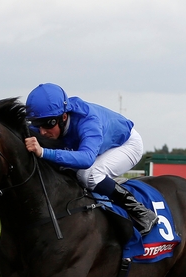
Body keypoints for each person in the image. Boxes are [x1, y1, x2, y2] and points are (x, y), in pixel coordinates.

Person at [24, 83, 157, 235]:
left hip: (126, 144)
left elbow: (86, 159)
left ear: (64, 116)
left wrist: (43, 152)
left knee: (89, 175)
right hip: (96, 146)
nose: (42, 131)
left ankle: (141, 212)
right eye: (37, 125)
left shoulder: (88, 121)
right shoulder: (51, 119)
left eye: (48, 124)